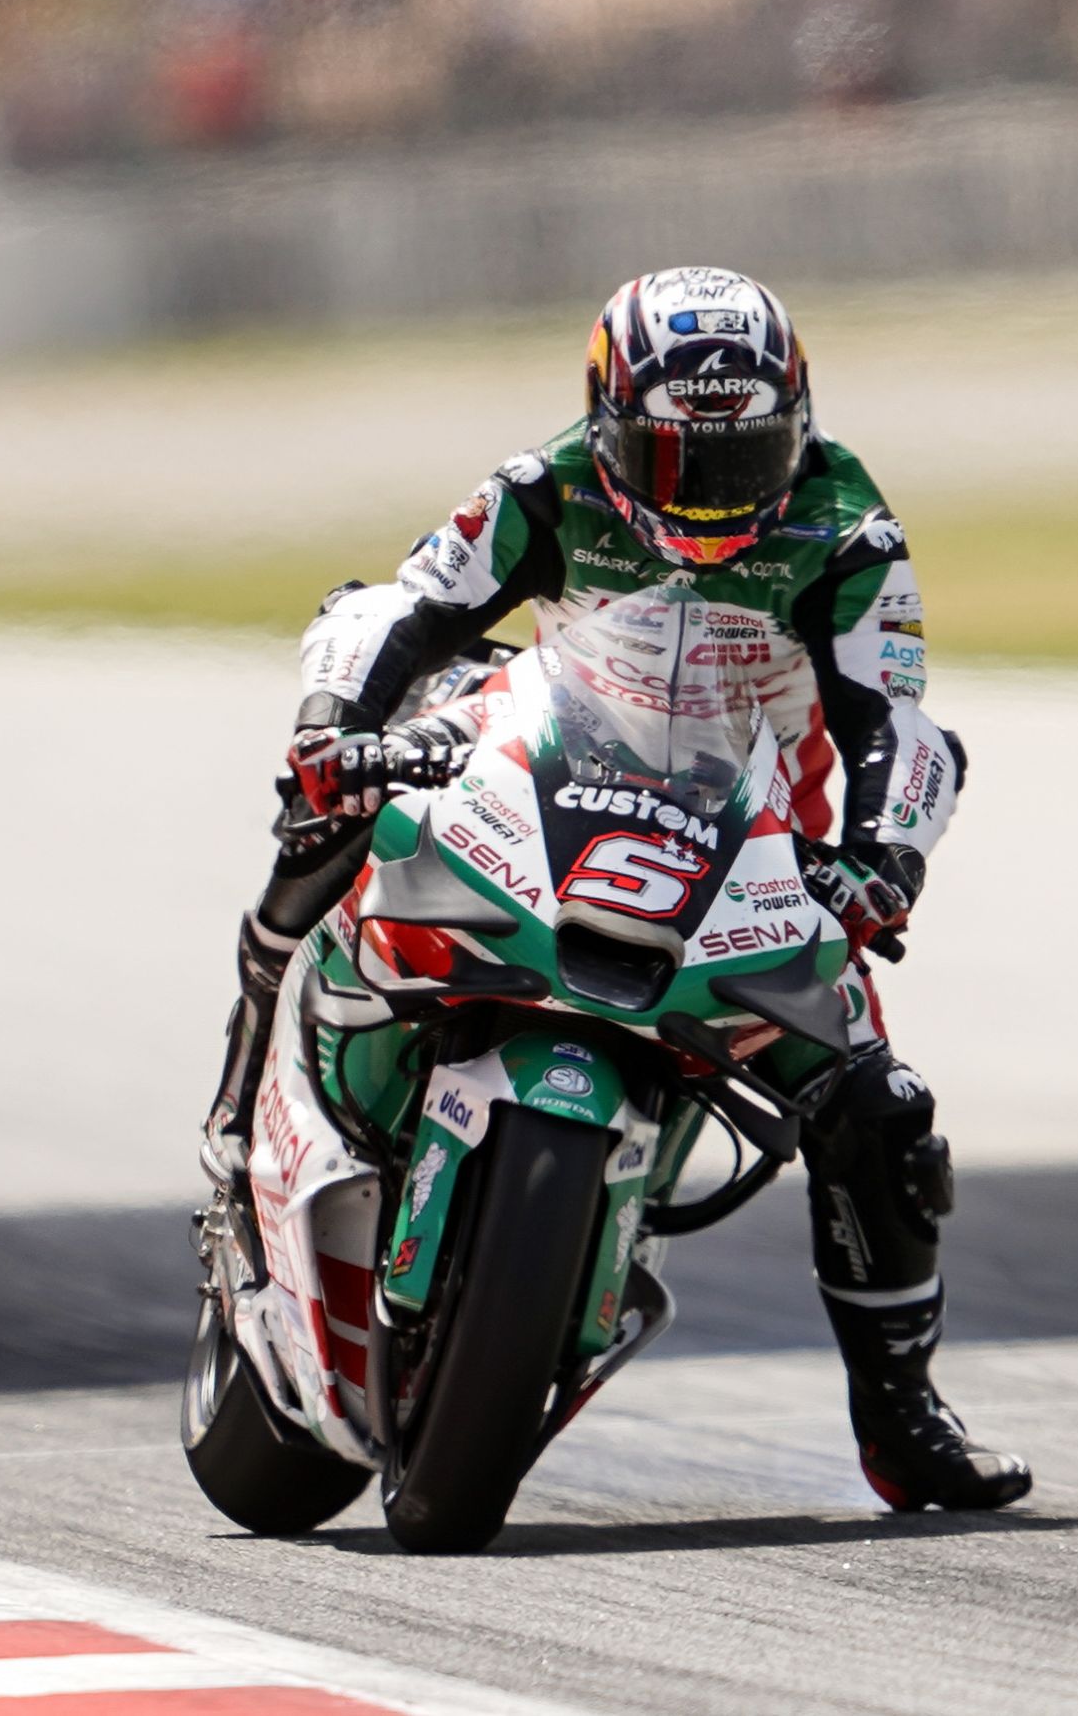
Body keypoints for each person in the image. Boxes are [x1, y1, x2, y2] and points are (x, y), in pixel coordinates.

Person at [199, 265, 1027, 1515]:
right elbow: (409, 606)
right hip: (544, 758)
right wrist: (333, 729)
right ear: (608, 426)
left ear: (797, 426)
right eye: (674, 457)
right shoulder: (545, 486)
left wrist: (881, 859)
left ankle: (900, 1414)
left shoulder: (848, 527)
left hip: (749, 840)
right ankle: (247, 1072)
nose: (711, 491)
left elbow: (893, 722)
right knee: (336, 812)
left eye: (744, 456)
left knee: (880, 1111)